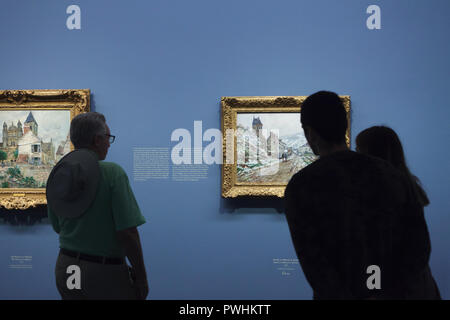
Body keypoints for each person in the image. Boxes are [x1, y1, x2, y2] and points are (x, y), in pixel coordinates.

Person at [284, 91, 435, 299]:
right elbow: (419, 248)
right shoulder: (390, 174)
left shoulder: (301, 186)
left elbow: (316, 266)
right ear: (344, 125)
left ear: (310, 133)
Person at [47, 112, 148, 300]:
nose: (109, 144)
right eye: (108, 138)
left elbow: (57, 226)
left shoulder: (60, 172)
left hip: (67, 266)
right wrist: (142, 278)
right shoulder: (112, 173)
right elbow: (128, 232)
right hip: (102, 271)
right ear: (97, 140)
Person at [356, 125, 441, 298]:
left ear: (369, 154)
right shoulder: (407, 185)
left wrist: (374, 287)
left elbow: (377, 253)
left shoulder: (380, 192)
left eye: (358, 150)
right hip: (417, 284)